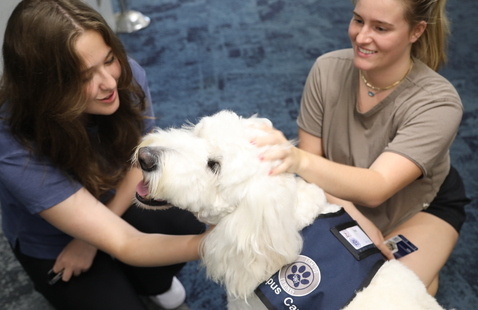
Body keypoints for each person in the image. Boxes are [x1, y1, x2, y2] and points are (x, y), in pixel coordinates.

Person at [253, 0, 470, 296]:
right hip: (336, 197)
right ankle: (425, 279)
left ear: (416, 31)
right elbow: (313, 167)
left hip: (418, 208)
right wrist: (353, 218)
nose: (362, 37)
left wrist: (296, 159)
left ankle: (424, 278)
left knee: (385, 295)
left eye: (380, 28)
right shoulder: (327, 69)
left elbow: (377, 186)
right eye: (358, 21)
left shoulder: (439, 103)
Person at [0, 0, 207, 309]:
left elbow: (141, 160)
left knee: (191, 218)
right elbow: (125, 242)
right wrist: (222, 245)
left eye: (109, 59)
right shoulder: (11, 139)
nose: (109, 83)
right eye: (85, 77)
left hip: (114, 196)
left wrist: (89, 241)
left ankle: (152, 282)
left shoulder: (127, 78)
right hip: (54, 241)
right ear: (45, 87)